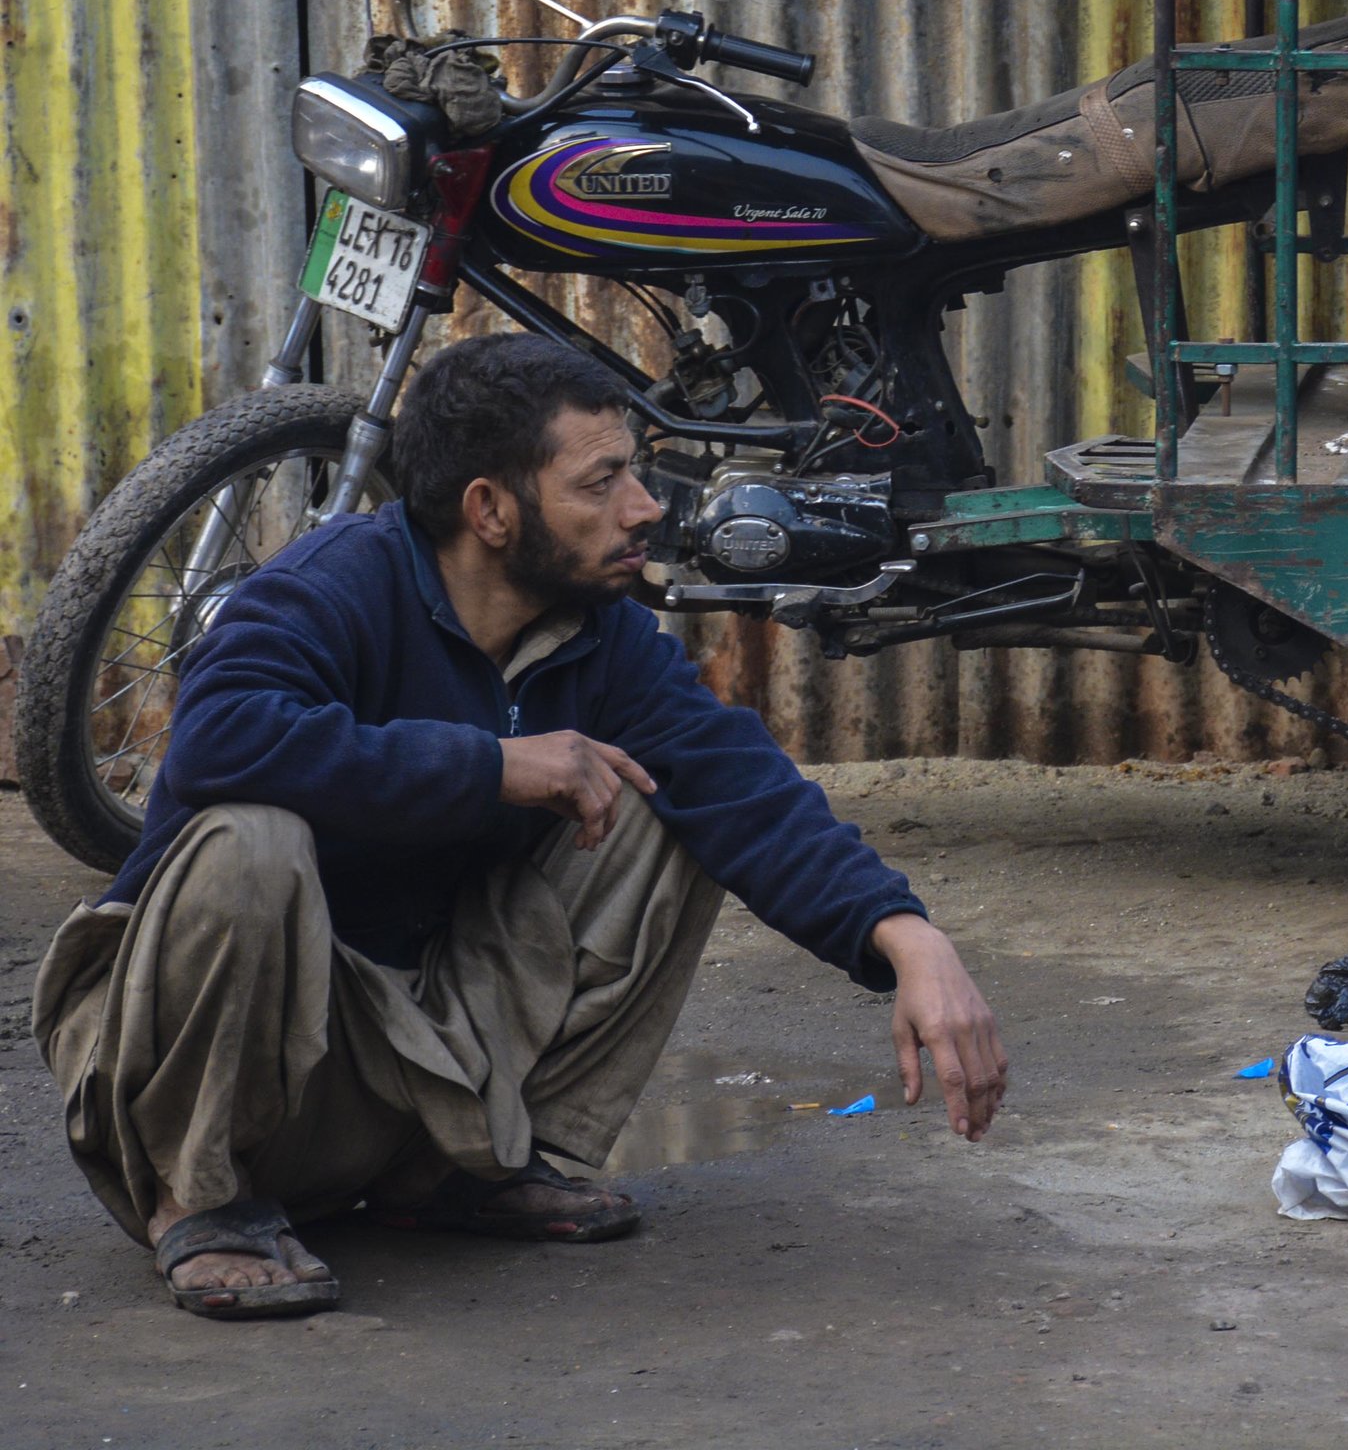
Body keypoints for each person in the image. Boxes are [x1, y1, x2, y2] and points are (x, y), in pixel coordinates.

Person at [34, 333, 1007, 1318]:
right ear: (489, 510)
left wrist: (906, 938)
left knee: (665, 803)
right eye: (602, 483)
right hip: (184, 1067)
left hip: (381, 1056)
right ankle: (197, 1200)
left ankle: (466, 1169)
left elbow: (740, 785)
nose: (645, 508)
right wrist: (490, 766)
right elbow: (214, 744)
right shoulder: (335, 587)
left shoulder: (600, 636)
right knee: (249, 843)